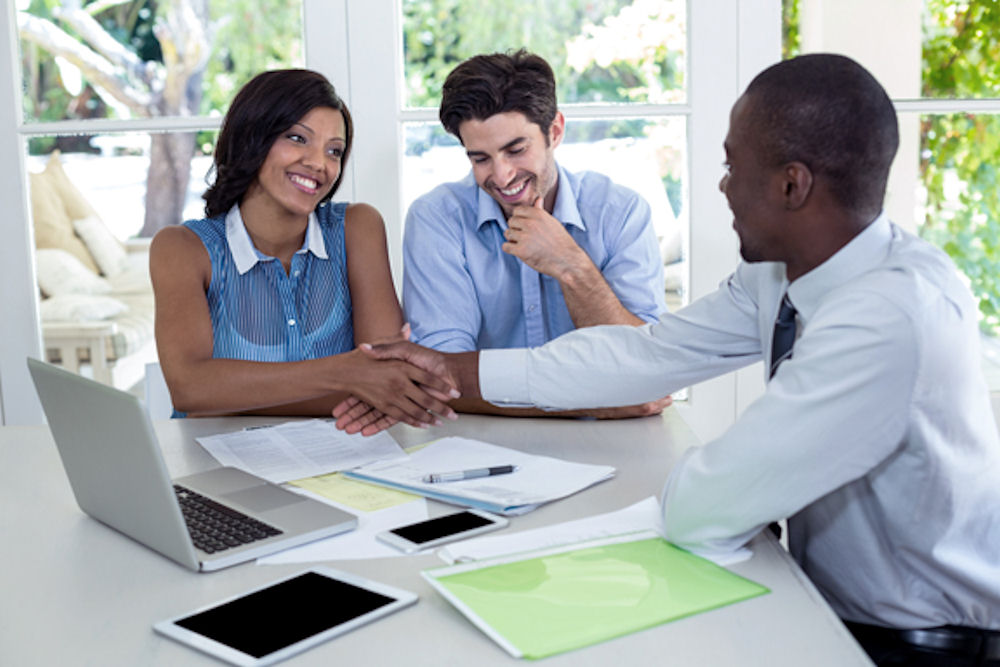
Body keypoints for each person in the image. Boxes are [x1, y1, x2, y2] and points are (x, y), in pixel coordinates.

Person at [339, 54, 1000, 665]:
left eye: (733, 165)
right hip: (828, 597)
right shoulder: (783, 275)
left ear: (793, 184)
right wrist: (450, 368)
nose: (720, 186)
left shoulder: (887, 316)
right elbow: (649, 354)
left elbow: (699, 504)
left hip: (923, 642)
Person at [150, 69, 456, 428]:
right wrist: (346, 372)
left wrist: (230, 396)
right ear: (252, 138)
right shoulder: (183, 249)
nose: (319, 164)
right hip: (216, 466)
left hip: (345, 458)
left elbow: (387, 383)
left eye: (334, 151)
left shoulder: (357, 228)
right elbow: (190, 389)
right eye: (298, 138)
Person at [402, 49, 671, 418]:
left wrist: (571, 266)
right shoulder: (437, 219)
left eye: (516, 149)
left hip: (614, 438)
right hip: (481, 437)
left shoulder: (620, 213)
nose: (501, 176)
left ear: (555, 131)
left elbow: (647, 369)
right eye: (480, 158)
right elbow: (439, 377)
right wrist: (585, 403)